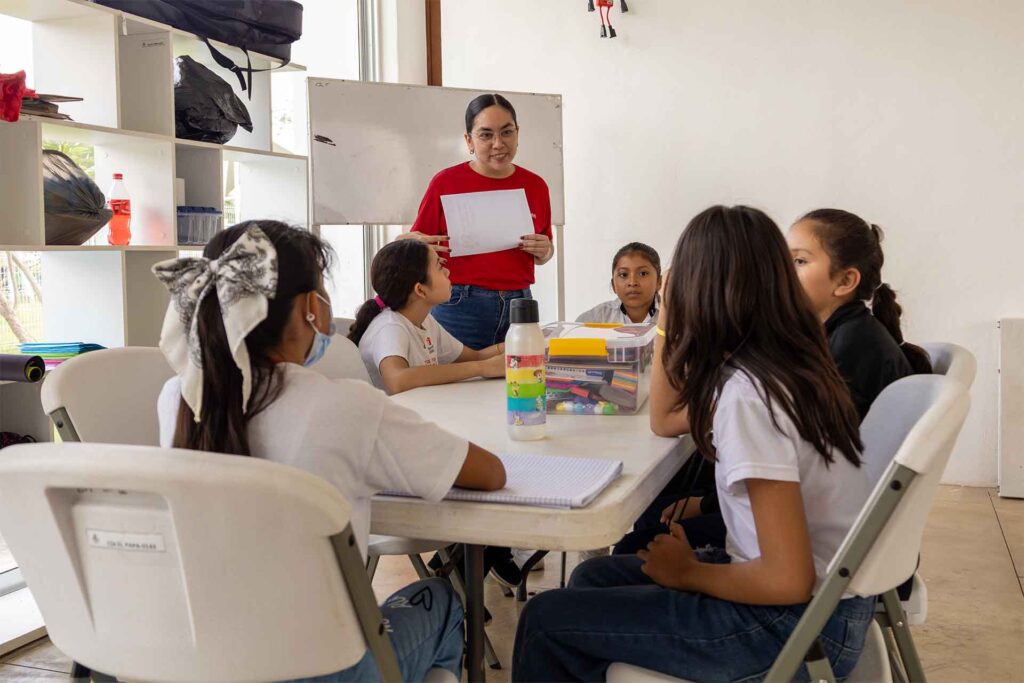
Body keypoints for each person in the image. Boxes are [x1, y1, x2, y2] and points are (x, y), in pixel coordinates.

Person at [512, 206, 874, 682]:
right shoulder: (777, 362)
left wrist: (689, 574)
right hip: (816, 604)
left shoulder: (751, 397)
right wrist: (665, 322)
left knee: (545, 621)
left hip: (794, 625)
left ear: (698, 290)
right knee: (593, 577)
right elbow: (665, 419)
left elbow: (788, 579)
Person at [152, 220, 507, 682]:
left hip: (206, 665)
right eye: (322, 289)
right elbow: (490, 474)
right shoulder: (344, 407)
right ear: (308, 308)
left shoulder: (177, 400)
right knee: (441, 601)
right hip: (322, 668)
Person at [401, 93, 554, 350]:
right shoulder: (445, 183)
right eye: (486, 135)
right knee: (458, 375)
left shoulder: (536, 185)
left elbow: (544, 252)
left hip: (520, 304)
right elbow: (415, 242)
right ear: (469, 140)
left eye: (507, 132)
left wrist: (545, 249)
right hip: (460, 304)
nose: (498, 143)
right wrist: (410, 241)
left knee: (521, 372)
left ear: (517, 133)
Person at [788, 208, 932, 417]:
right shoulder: (843, 332)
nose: (782, 270)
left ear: (845, 281)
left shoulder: (852, 343)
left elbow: (810, 428)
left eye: (799, 261)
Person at [349, 239, 506, 394]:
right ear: (420, 290)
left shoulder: (425, 321)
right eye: (439, 267)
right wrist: (482, 368)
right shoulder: (390, 327)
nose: (447, 272)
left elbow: (476, 356)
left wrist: (514, 345)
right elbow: (398, 380)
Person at [577, 242, 662, 324]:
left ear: (659, 281)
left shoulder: (670, 316)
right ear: (613, 284)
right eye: (623, 275)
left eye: (643, 273)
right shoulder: (591, 321)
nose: (632, 282)